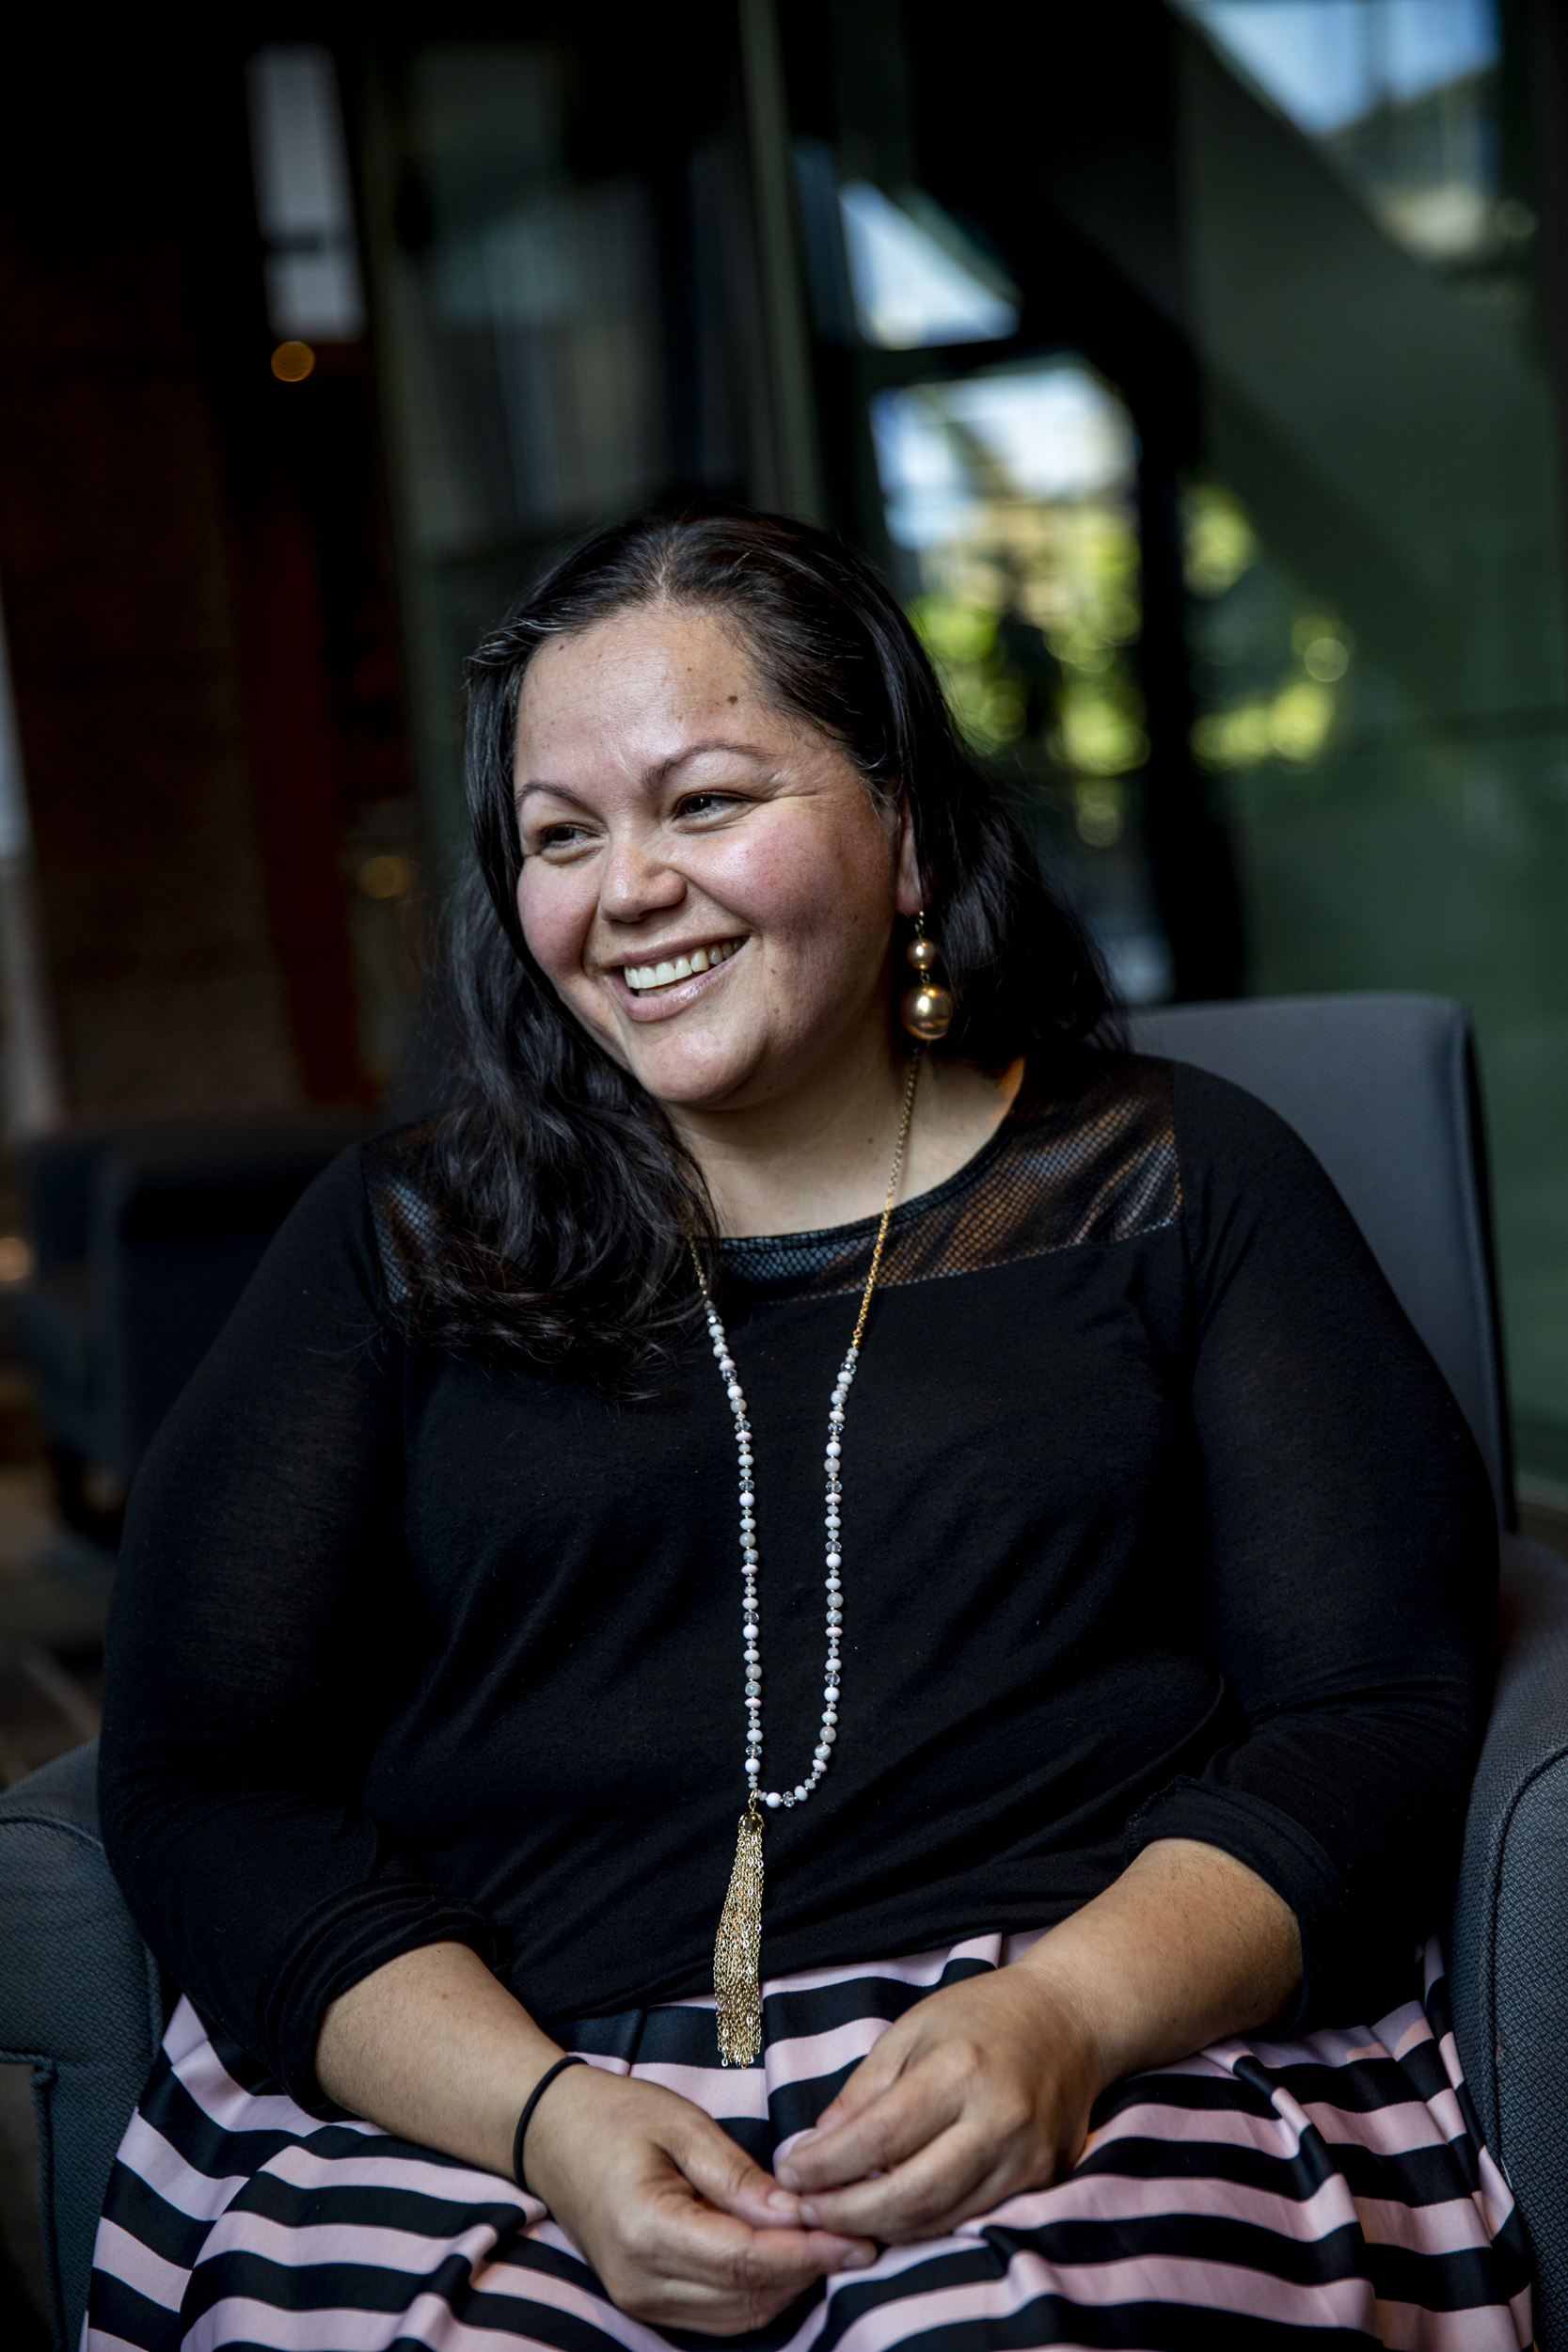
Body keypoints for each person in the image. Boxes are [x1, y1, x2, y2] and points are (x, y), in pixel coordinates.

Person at [88, 507, 1528, 2351]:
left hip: (1085, 2058)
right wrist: (543, 2117)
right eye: (559, 833)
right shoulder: (397, 1244)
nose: (626, 888)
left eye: (703, 801)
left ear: (905, 826)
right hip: (495, 2093)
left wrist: (1071, 2012)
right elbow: (203, 1778)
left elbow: (1377, 1708)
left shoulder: (1179, 1183)